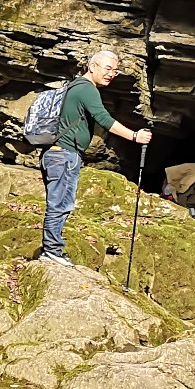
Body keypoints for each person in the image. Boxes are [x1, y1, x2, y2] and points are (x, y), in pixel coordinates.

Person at [38, 48, 152, 265]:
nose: (111, 74)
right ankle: (51, 251)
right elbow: (103, 118)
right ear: (93, 67)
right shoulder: (86, 89)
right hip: (64, 155)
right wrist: (135, 136)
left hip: (56, 155)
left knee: (60, 202)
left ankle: (52, 249)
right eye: (108, 68)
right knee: (59, 204)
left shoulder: (73, 86)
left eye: (116, 71)